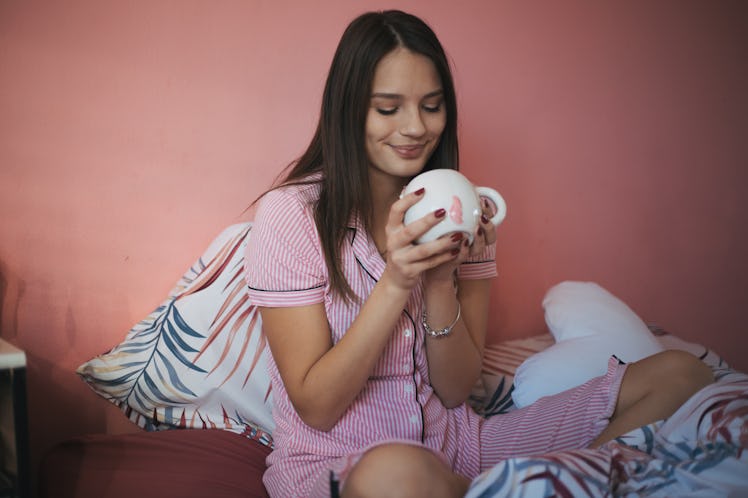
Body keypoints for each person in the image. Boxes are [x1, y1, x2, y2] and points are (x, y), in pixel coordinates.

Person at [244, 10, 713, 498]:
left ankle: (546, 484)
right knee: (398, 475)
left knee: (680, 373)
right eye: (387, 108)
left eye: (432, 105)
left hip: (464, 447)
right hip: (340, 463)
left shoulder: (457, 207)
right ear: (348, 108)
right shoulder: (292, 215)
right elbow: (316, 406)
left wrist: (442, 281)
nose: (414, 128)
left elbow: (454, 388)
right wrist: (397, 283)